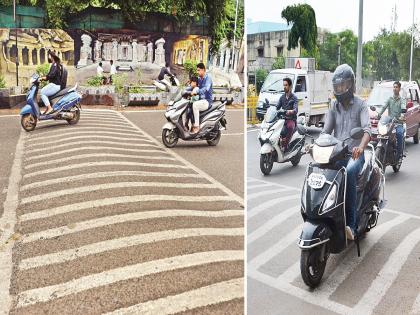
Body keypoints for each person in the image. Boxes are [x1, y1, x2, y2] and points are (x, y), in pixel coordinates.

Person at [322, 64, 371, 241]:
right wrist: (314, 145)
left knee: (349, 172)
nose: (339, 89)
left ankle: (351, 224)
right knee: (320, 169)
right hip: (337, 153)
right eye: (337, 86)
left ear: (350, 85)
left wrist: (361, 147)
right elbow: (326, 131)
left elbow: (367, 130)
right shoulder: (333, 106)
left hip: (355, 154)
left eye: (342, 85)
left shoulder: (360, 105)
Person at [377, 81, 406, 159]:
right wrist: (379, 114)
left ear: (399, 89)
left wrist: (402, 116)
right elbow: (384, 107)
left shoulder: (402, 99)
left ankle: (399, 154)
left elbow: (403, 108)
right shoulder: (389, 99)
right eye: (394, 87)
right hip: (390, 123)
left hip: (398, 122)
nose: (395, 88)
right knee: (381, 133)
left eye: (396, 87)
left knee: (399, 134)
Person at [276, 77, 298, 150]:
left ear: (290, 86)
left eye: (286, 85)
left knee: (290, 127)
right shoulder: (282, 97)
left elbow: (296, 110)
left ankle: (286, 146)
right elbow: (277, 107)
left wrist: (290, 111)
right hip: (282, 119)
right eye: (284, 85)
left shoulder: (294, 98)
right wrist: (269, 107)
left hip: (291, 119)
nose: (284, 87)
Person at [191, 62, 213, 134]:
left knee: (195, 105)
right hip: (200, 100)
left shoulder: (208, 79)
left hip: (207, 101)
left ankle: (197, 126)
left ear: (203, 70)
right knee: (188, 106)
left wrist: (197, 92)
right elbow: (193, 85)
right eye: (197, 70)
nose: (198, 72)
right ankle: (190, 125)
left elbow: (206, 89)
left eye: (199, 70)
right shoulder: (199, 79)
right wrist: (184, 91)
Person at [40, 50, 63, 114]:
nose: (48, 57)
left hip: (55, 85)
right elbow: (50, 75)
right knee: (45, 92)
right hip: (54, 84)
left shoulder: (55, 65)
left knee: (42, 92)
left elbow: (52, 75)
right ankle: (48, 109)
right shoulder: (53, 64)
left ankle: (50, 108)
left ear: (52, 57)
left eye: (49, 56)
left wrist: (45, 78)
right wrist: (43, 77)